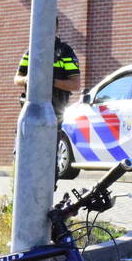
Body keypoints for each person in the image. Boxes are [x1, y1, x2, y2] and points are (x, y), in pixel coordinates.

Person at [14, 18, 80, 176]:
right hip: (30, 113)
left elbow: (75, 84)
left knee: (48, 161)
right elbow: (17, 78)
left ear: (55, 29)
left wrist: (50, 82)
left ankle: (46, 194)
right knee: (23, 157)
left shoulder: (65, 52)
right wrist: (27, 80)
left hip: (53, 114)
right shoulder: (31, 51)